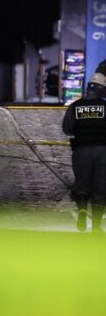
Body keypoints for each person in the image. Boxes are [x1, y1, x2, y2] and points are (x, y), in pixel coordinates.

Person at [62, 72, 106, 232]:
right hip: (103, 152)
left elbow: (67, 129)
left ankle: (81, 209)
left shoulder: (75, 106)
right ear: (102, 89)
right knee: (100, 187)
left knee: (82, 184)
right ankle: (96, 226)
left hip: (81, 151)